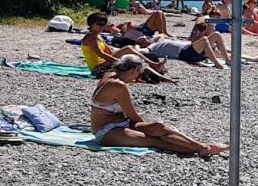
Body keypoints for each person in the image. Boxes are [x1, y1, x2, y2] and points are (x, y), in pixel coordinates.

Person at [90, 55, 227, 155]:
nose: (139, 77)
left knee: (158, 127)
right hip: (105, 132)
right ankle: (204, 148)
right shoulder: (119, 86)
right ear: (134, 70)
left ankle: (202, 147)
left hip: (121, 124)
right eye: (140, 73)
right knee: (158, 140)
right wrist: (145, 128)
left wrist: (152, 127)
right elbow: (133, 117)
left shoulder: (111, 75)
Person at [81, 13, 174, 82]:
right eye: (99, 24)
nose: (102, 26)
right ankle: (154, 64)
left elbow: (109, 51)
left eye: (104, 23)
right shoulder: (91, 37)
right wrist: (119, 61)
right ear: (92, 24)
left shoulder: (97, 36)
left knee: (136, 62)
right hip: (97, 69)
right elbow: (101, 54)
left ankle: (162, 76)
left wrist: (122, 56)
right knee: (128, 49)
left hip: (104, 64)